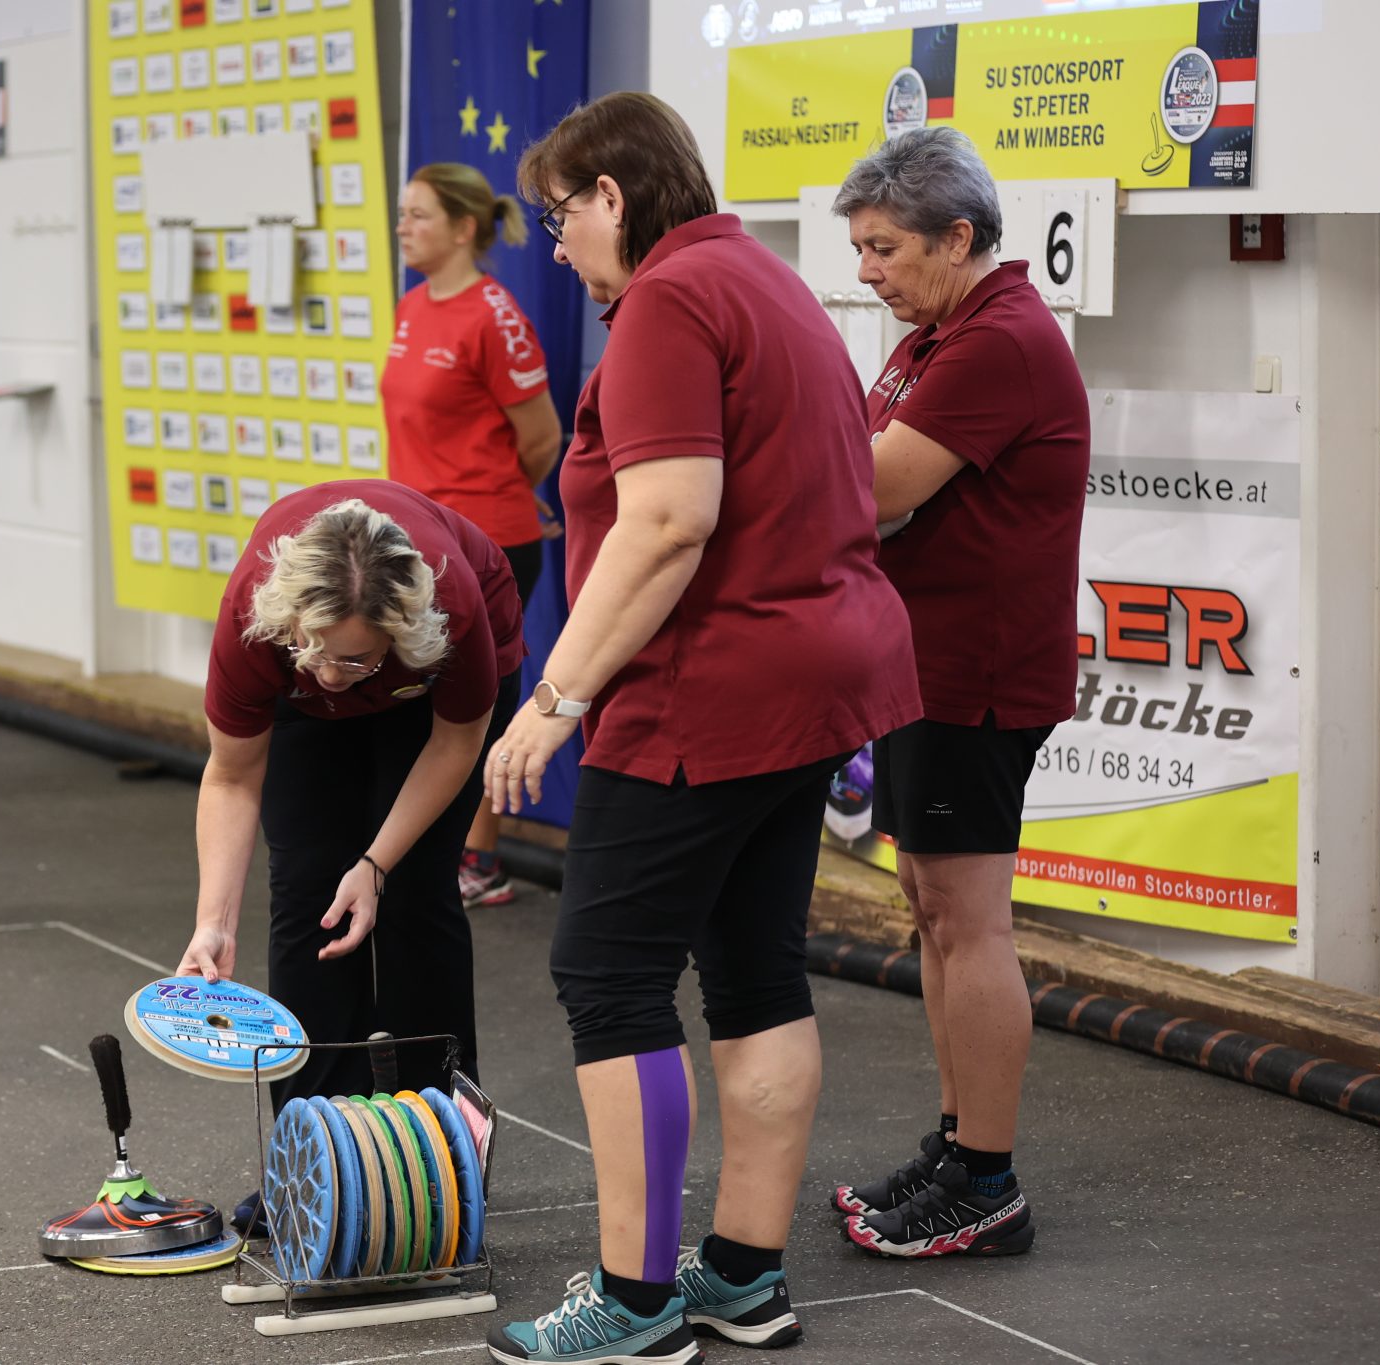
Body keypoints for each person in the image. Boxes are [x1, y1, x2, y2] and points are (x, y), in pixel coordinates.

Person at [484, 93, 921, 1365]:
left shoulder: (669, 301)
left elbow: (667, 522)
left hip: (708, 687)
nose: (555, 245)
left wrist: (553, 699)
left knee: (606, 976)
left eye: (559, 217)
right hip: (815, 682)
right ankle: (738, 1274)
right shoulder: (761, 277)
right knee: (752, 967)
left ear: (613, 197)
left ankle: (631, 1306)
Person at [828, 127, 1089, 1260]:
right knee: (931, 910)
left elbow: (874, 483)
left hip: (972, 674)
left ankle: (985, 1182)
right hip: (924, 666)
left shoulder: (996, 342)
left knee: (969, 922)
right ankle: (954, 1144)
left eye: (883, 249)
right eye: (860, 249)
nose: (866, 272)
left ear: (957, 237)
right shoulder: (936, 333)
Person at [177, 481, 523, 1232]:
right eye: (317, 651)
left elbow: (457, 741)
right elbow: (233, 776)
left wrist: (376, 864)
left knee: (416, 891)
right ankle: (318, 1156)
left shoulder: (452, 611)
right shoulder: (259, 622)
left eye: (351, 660)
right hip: (306, 706)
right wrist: (213, 922)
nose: (331, 674)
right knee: (308, 895)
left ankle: (437, 1158)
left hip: (424, 699)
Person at [384, 163, 562, 909]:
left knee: (474, 699)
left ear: (462, 228)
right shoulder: (411, 306)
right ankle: (426, 845)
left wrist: (498, 499)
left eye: (418, 215)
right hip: (415, 534)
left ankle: (479, 859)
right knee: (417, 695)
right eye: (402, 214)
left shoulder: (495, 314)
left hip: (487, 539)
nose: (403, 227)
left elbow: (542, 436)